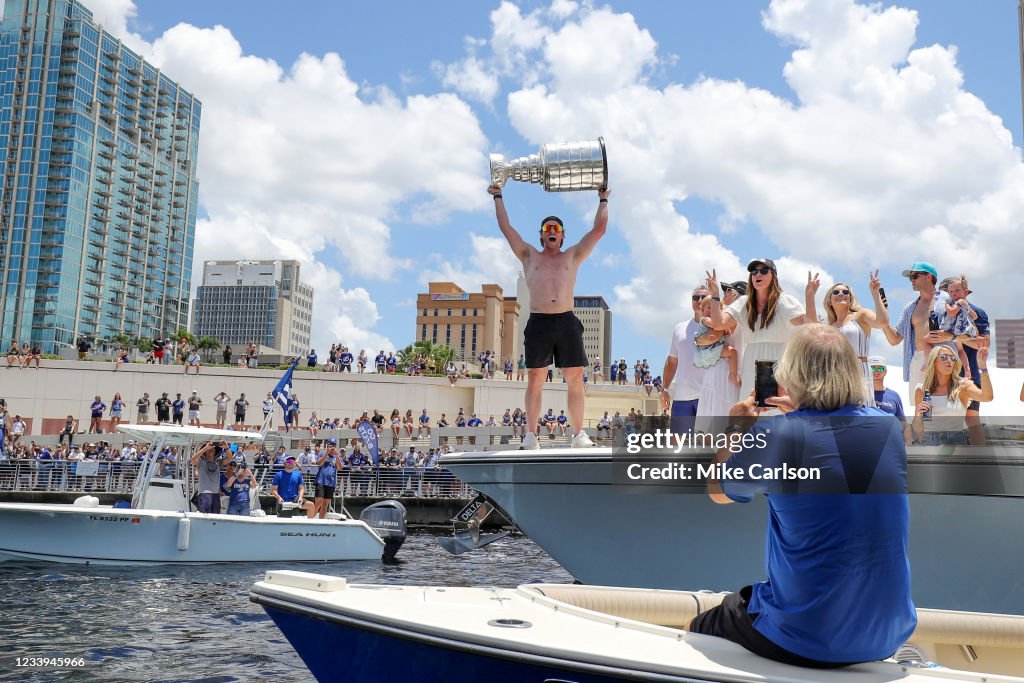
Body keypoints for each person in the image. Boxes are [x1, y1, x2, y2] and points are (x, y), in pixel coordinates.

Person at [693, 324, 916, 667]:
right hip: (888, 634)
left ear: (792, 373)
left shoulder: (776, 435)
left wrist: (735, 429)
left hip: (807, 636)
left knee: (694, 630)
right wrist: (798, 415)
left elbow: (717, 491)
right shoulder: (886, 427)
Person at [489, 182, 609, 450]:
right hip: (539, 320)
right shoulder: (529, 255)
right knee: (535, 378)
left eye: (556, 229)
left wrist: (603, 199)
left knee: (575, 376)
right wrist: (498, 195)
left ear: (563, 236)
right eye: (547, 229)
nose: (552, 232)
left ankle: (579, 434)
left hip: (566, 320)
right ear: (541, 236)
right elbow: (506, 228)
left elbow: (599, 230)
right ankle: (531, 435)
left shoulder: (572, 255)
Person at [703, 260, 818, 402]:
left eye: (764, 271)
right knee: (751, 414)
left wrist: (810, 298)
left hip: (774, 361)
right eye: (754, 272)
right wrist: (715, 295)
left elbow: (810, 326)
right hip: (751, 361)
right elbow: (718, 323)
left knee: (770, 412)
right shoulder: (745, 303)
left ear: (774, 276)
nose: (758, 274)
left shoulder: (783, 301)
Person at [881, 262, 957, 407]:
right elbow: (895, 339)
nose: (912, 280)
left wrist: (947, 336)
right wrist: (884, 321)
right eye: (910, 277)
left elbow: (968, 332)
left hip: (942, 357)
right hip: (917, 359)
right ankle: (922, 430)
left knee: (945, 405)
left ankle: (946, 430)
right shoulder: (909, 308)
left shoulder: (948, 301)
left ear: (929, 277)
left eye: (915, 276)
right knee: (920, 406)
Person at [822, 271, 889, 404]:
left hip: (859, 370)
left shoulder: (860, 315)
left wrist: (875, 293)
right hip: (835, 373)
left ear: (850, 298)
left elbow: (882, 322)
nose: (841, 294)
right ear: (829, 300)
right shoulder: (829, 327)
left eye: (845, 292)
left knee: (861, 411)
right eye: (836, 292)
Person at [912, 345, 993, 446]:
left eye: (953, 358)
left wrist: (983, 368)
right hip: (929, 444)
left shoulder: (963, 386)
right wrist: (918, 415)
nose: (949, 360)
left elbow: (987, 397)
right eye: (943, 357)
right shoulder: (922, 390)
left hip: (956, 444)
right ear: (934, 362)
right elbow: (917, 428)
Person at [660, 286, 710, 433]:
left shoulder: (719, 326)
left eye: (703, 297)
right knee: (677, 445)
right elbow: (672, 361)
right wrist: (664, 389)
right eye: (696, 297)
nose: (699, 300)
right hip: (682, 397)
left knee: (708, 446)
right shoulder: (679, 328)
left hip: (709, 396)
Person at [694, 290, 741, 434]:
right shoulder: (709, 320)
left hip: (723, 366)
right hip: (717, 364)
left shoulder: (733, 317)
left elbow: (714, 333)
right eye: (708, 307)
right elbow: (714, 333)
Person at [867, 356, 911, 444]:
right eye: (872, 368)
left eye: (880, 368)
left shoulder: (894, 396)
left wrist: (908, 445)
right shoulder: (859, 395)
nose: (876, 371)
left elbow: (903, 424)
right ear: (867, 370)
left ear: (885, 371)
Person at [191, 442, 227, 514]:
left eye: (213, 448)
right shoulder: (201, 462)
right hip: (204, 493)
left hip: (216, 494)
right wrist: (205, 448)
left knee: (215, 517)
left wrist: (227, 448)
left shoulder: (218, 462)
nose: (211, 449)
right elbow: (193, 459)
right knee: (205, 516)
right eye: (209, 448)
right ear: (205, 452)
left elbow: (229, 458)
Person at [313, 440, 343, 518]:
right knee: (319, 502)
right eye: (330, 445)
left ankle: (321, 521)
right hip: (321, 481)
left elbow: (340, 468)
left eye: (333, 445)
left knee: (325, 504)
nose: (331, 447)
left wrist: (337, 456)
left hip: (331, 483)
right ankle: (311, 520)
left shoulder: (337, 457)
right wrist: (327, 453)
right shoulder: (322, 454)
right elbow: (319, 464)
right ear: (327, 446)